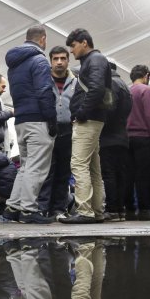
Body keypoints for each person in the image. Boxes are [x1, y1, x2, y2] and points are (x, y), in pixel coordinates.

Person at [2, 25, 57, 224]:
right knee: (36, 166)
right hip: (37, 119)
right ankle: (28, 210)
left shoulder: (14, 64)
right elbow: (44, 91)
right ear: (42, 39)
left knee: (25, 166)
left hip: (21, 120)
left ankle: (13, 207)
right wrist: (51, 119)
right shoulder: (39, 60)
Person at [59, 28, 110, 224]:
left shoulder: (94, 60)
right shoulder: (96, 60)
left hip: (87, 120)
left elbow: (96, 89)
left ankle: (85, 211)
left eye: (73, 46)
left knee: (79, 164)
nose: (71, 51)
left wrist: (81, 113)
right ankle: (96, 210)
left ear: (84, 43)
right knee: (92, 167)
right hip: (95, 119)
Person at [37, 46, 76, 218]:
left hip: (68, 130)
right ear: (50, 61)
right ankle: (43, 208)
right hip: (48, 129)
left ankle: (59, 209)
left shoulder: (76, 82)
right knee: (46, 171)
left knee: (64, 171)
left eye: (62, 58)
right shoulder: (44, 80)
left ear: (68, 60)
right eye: (55, 59)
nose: (59, 62)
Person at [125, 65, 150, 220]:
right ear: (147, 75)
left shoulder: (127, 90)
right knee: (144, 175)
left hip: (127, 138)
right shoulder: (146, 90)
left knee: (129, 175)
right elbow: (149, 115)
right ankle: (144, 209)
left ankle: (128, 208)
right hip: (143, 137)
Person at [98, 63, 133, 221]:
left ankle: (112, 209)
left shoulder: (110, 83)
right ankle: (119, 209)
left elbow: (109, 109)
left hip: (108, 136)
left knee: (109, 173)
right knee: (120, 174)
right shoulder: (124, 84)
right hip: (122, 136)